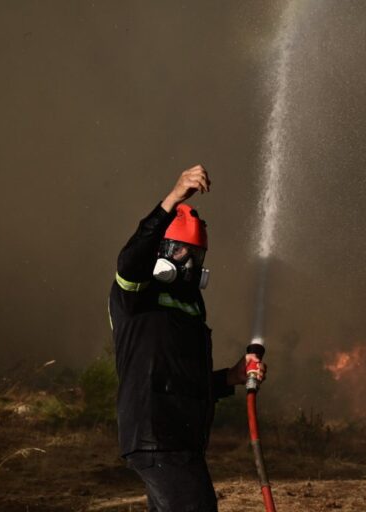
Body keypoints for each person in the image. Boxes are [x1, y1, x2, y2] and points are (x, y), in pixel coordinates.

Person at [109, 165, 267, 511]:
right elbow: (130, 259)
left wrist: (231, 377)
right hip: (155, 438)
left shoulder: (191, 306)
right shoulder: (137, 295)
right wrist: (173, 198)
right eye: (181, 252)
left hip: (183, 441)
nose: (190, 263)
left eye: (196, 255)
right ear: (162, 251)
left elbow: (181, 380)